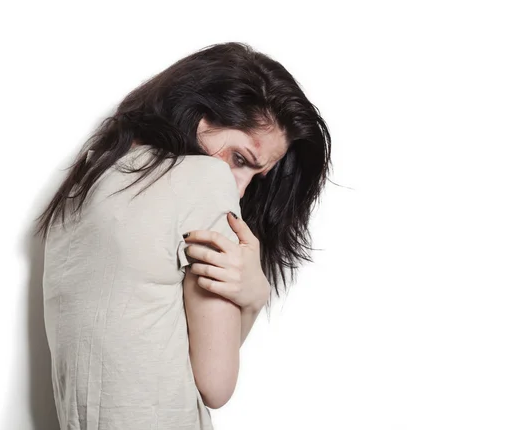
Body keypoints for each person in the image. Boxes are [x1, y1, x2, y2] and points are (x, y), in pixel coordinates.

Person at [36, 41, 331, 429]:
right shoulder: (205, 180)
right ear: (199, 116)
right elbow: (215, 384)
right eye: (240, 159)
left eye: (255, 176)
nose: (239, 188)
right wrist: (254, 296)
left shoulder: (87, 181)